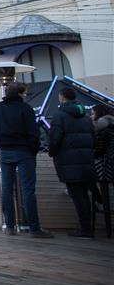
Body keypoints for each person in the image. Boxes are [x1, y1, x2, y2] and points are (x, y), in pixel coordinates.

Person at [0, 82, 52, 237]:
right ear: (19, 93)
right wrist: (33, 149)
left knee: (7, 190)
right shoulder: (25, 108)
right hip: (24, 151)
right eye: (25, 92)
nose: (26, 95)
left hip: (5, 152)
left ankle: (9, 226)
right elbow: (33, 132)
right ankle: (34, 228)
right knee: (28, 191)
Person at [50, 88, 96, 238]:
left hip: (68, 162)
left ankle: (85, 229)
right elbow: (93, 138)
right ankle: (87, 227)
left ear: (62, 98)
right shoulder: (87, 117)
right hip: (86, 161)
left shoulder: (59, 116)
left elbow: (55, 138)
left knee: (77, 196)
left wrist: (52, 151)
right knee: (84, 195)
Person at [93, 105, 114, 210]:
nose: (92, 115)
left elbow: (99, 150)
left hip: (106, 167)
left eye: (93, 113)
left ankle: (101, 204)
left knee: (89, 180)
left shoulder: (103, 129)